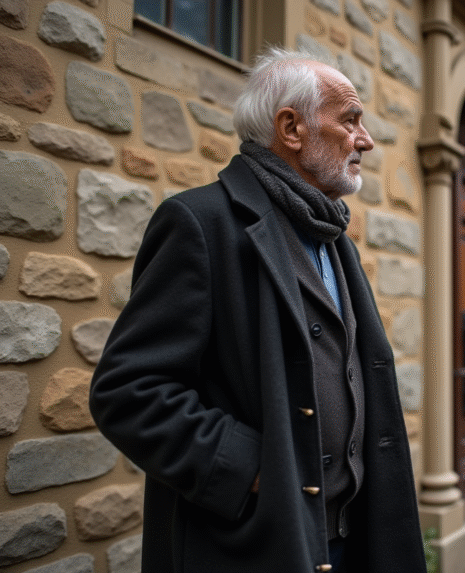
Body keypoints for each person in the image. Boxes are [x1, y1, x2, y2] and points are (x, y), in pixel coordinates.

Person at [90, 47, 426, 573]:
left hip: (350, 542)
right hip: (253, 543)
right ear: (291, 128)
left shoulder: (334, 238)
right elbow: (128, 393)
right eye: (351, 121)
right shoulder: (199, 223)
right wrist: (252, 470)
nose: (366, 141)